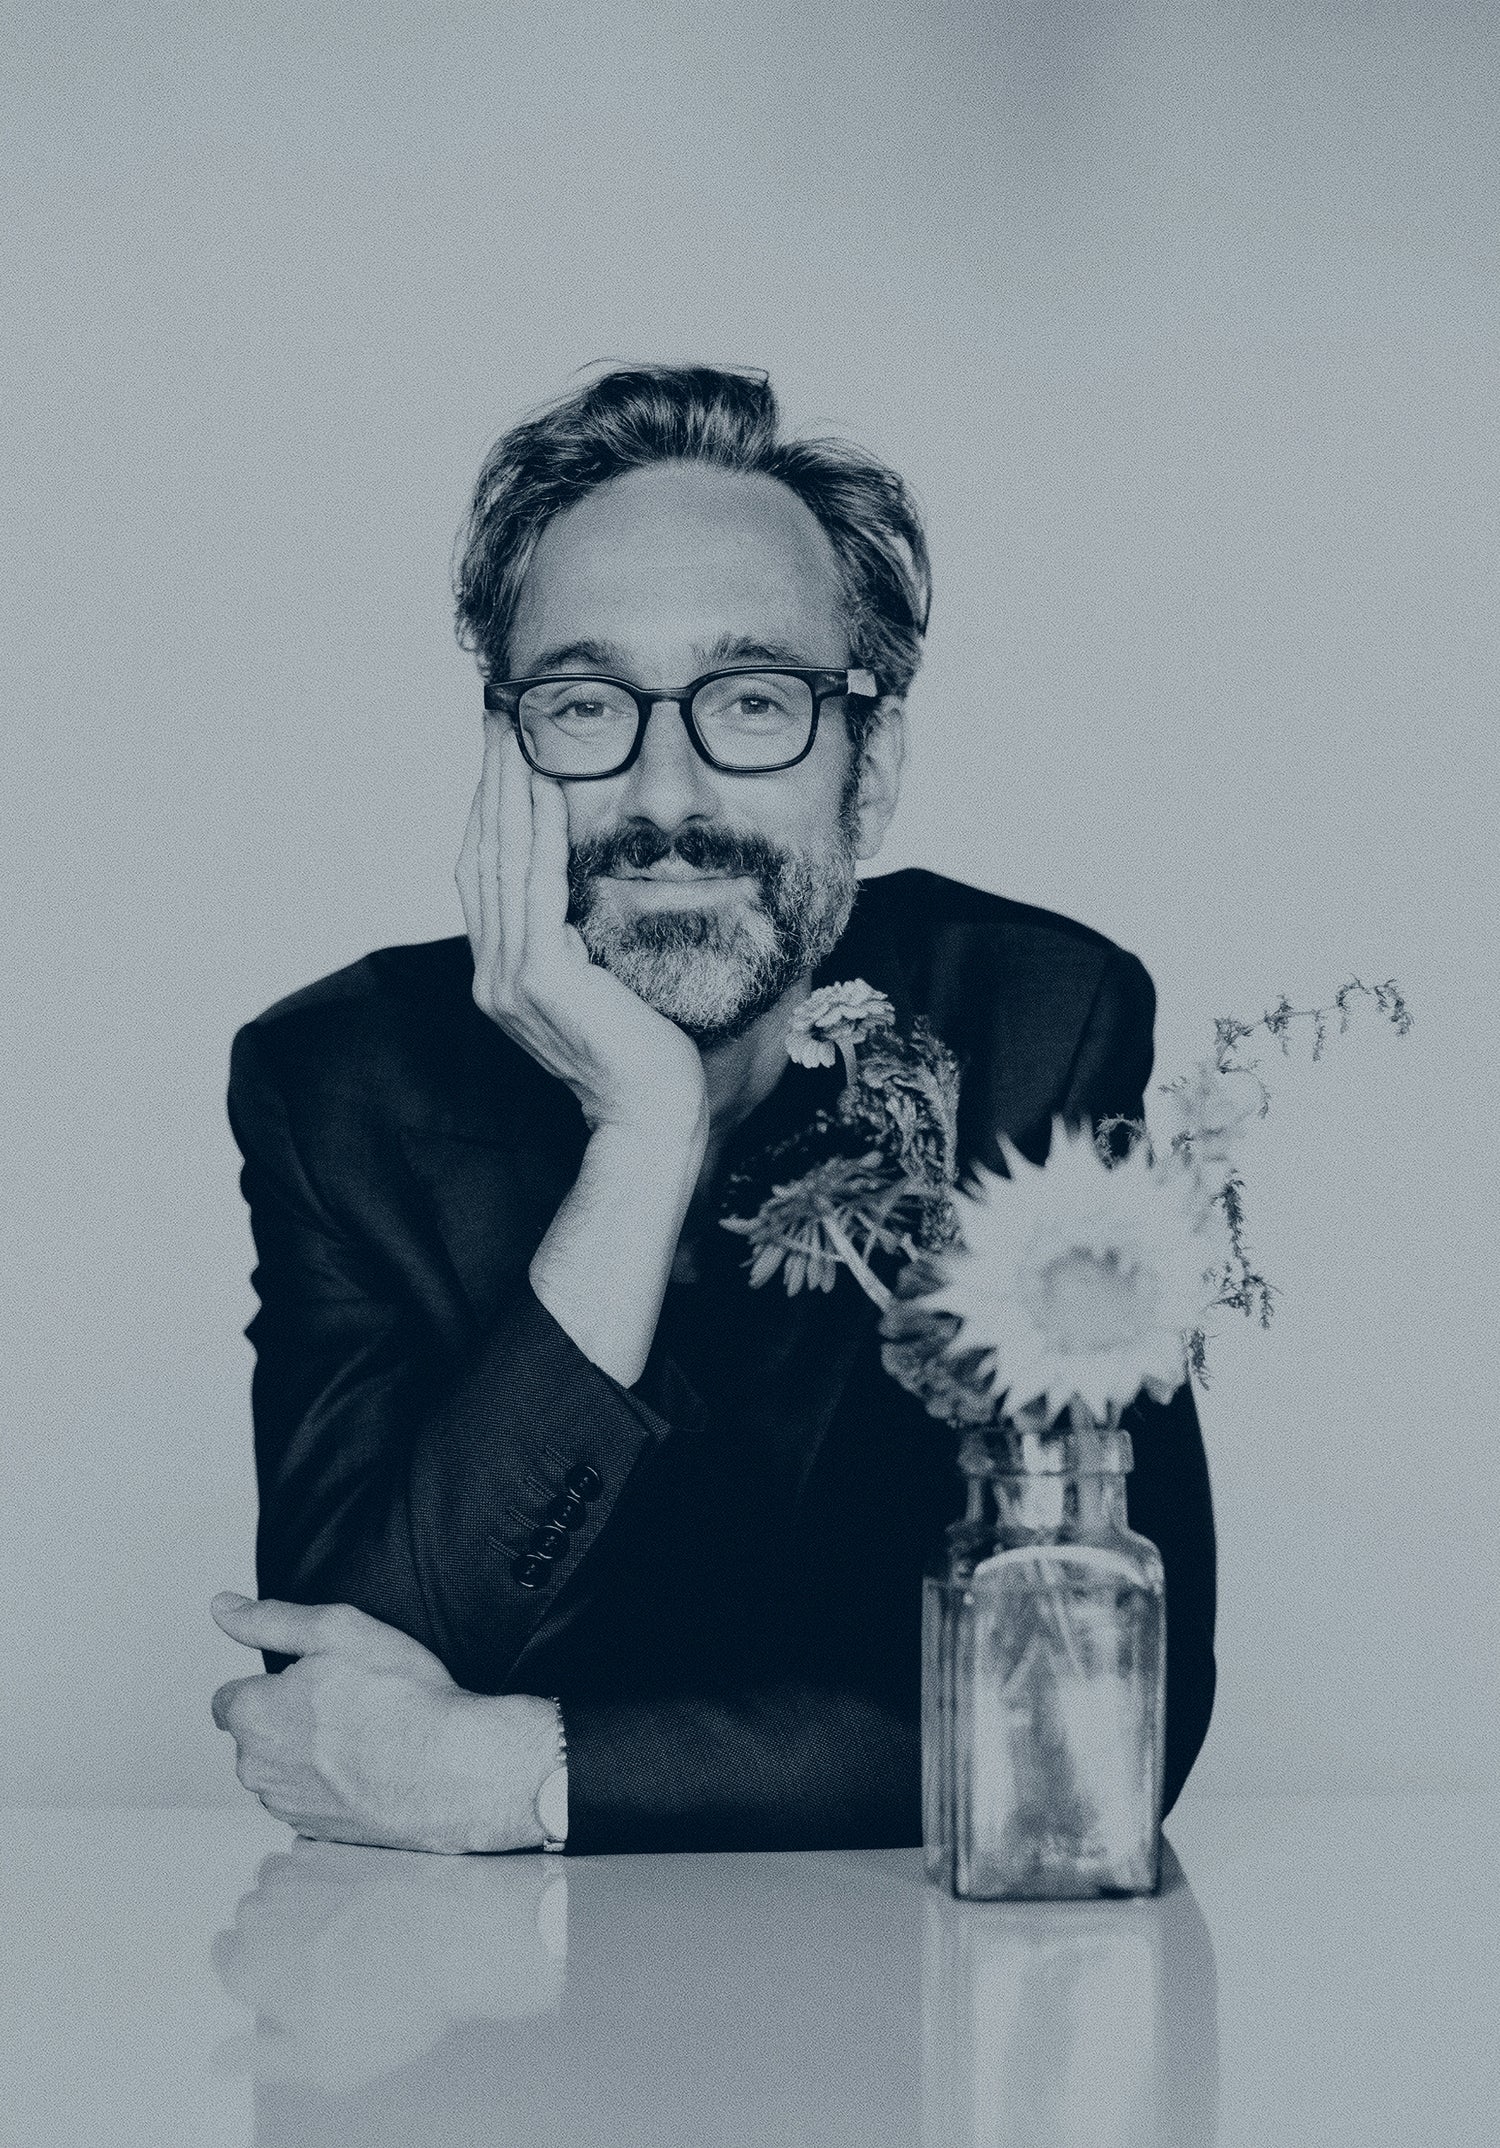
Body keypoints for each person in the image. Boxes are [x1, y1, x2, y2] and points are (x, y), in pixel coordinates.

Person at [210, 364, 1217, 1855]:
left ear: (865, 779)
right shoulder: (339, 1089)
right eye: (582, 702)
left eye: (754, 700)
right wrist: (644, 1139)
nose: (663, 791)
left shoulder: (1035, 1029)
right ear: (505, 762)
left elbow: (1083, 1729)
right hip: (477, 2030)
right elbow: (352, 1719)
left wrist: (521, 1775)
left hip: (925, 2025)